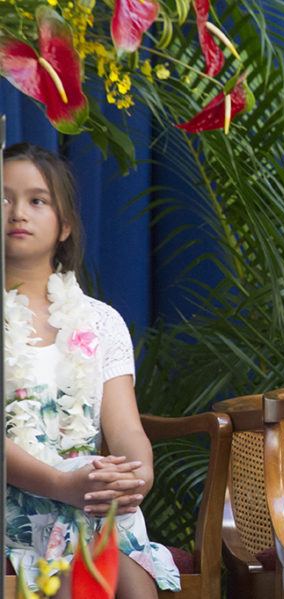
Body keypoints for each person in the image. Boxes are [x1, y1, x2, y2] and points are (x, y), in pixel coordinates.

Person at [3, 144, 180, 598]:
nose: (17, 212)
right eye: (3, 198)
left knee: (118, 568)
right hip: (14, 507)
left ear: (65, 225)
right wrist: (62, 485)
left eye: (37, 200)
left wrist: (135, 477)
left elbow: (125, 432)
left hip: (90, 503)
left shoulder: (101, 321)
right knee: (83, 574)